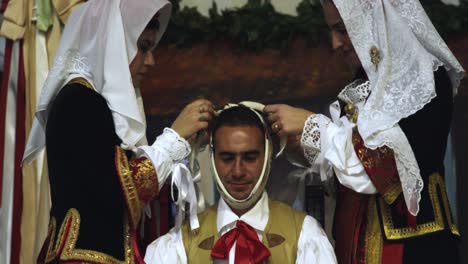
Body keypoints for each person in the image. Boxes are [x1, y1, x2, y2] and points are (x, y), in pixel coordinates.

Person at [264, 0, 465, 263]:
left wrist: (311, 125)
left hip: (413, 250)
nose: (336, 44)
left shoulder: (425, 81)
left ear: (374, 20)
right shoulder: (361, 85)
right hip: (354, 241)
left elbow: (388, 173)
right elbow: (344, 166)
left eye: (342, 29)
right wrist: (300, 142)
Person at [22, 0, 214, 262]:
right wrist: (173, 140)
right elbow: (120, 192)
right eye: (143, 47)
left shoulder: (95, 102)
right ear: (111, 44)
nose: (151, 61)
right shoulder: (79, 101)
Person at [144, 104, 337, 264]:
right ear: (212, 159)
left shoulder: (304, 234)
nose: (238, 171)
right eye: (227, 158)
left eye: (250, 157)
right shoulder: (179, 245)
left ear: (267, 157)